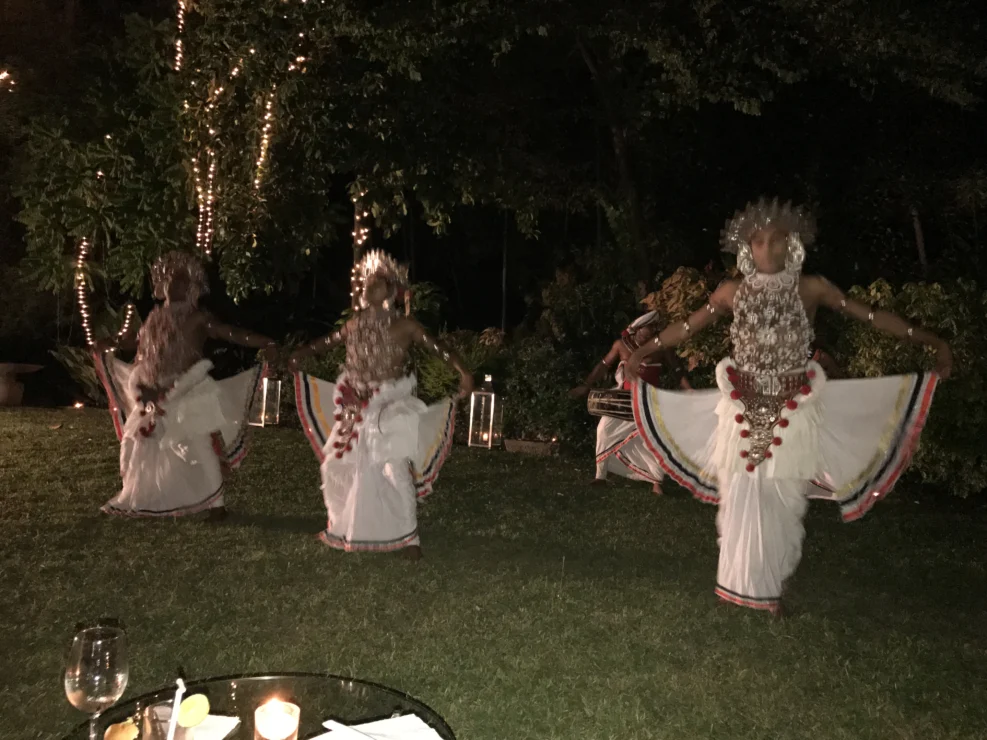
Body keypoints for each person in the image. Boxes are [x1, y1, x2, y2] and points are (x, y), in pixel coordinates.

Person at [625, 198, 952, 617]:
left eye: (776, 240)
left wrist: (932, 342)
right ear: (747, 248)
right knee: (740, 497)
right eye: (758, 242)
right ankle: (738, 585)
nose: (767, 249)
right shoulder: (730, 292)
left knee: (780, 502)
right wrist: (640, 353)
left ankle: (766, 592)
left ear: (791, 245)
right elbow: (685, 327)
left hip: (792, 409)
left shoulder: (810, 287)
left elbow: (868, 316)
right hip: (740, 408)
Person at [289, 250, 473, 560]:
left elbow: (438, 349)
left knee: (394, 466)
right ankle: (341, 524)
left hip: (390, 403)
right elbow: (326, 342)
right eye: (368, 280)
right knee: (334, 463)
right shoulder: (354, 324)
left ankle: (409, 538)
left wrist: (464, 372)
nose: (370, 283)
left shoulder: (405, 326)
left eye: (379, 280)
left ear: (391, 290)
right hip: (354, 404)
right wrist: (299, 354)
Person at [93, 251, 278, 520]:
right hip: (151, 390)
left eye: (183, 281)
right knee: (137, 445)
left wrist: (265, 342)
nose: (176, 285)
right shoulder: (154, 317)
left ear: (192, 287)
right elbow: (137, 343)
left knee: (200, 443)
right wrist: (109, 342)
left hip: (189, 388)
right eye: (172, 280)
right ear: (162, 284)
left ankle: (218, 506)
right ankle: (138, 496)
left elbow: (229, 332)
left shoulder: (198, 317)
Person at [570, 311, 691, 495]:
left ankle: (656, 482)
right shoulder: (621, 346)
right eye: (646, 331)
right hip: (623, 402)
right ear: (636, 329)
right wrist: (586, 385)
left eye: (652, 331)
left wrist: (688, 388)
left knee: (652, 440)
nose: (648, 335)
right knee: (603, 429)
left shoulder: (661, 347)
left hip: (649, 402)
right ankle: (600, 476)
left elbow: (676, 369)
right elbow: (604, 365)